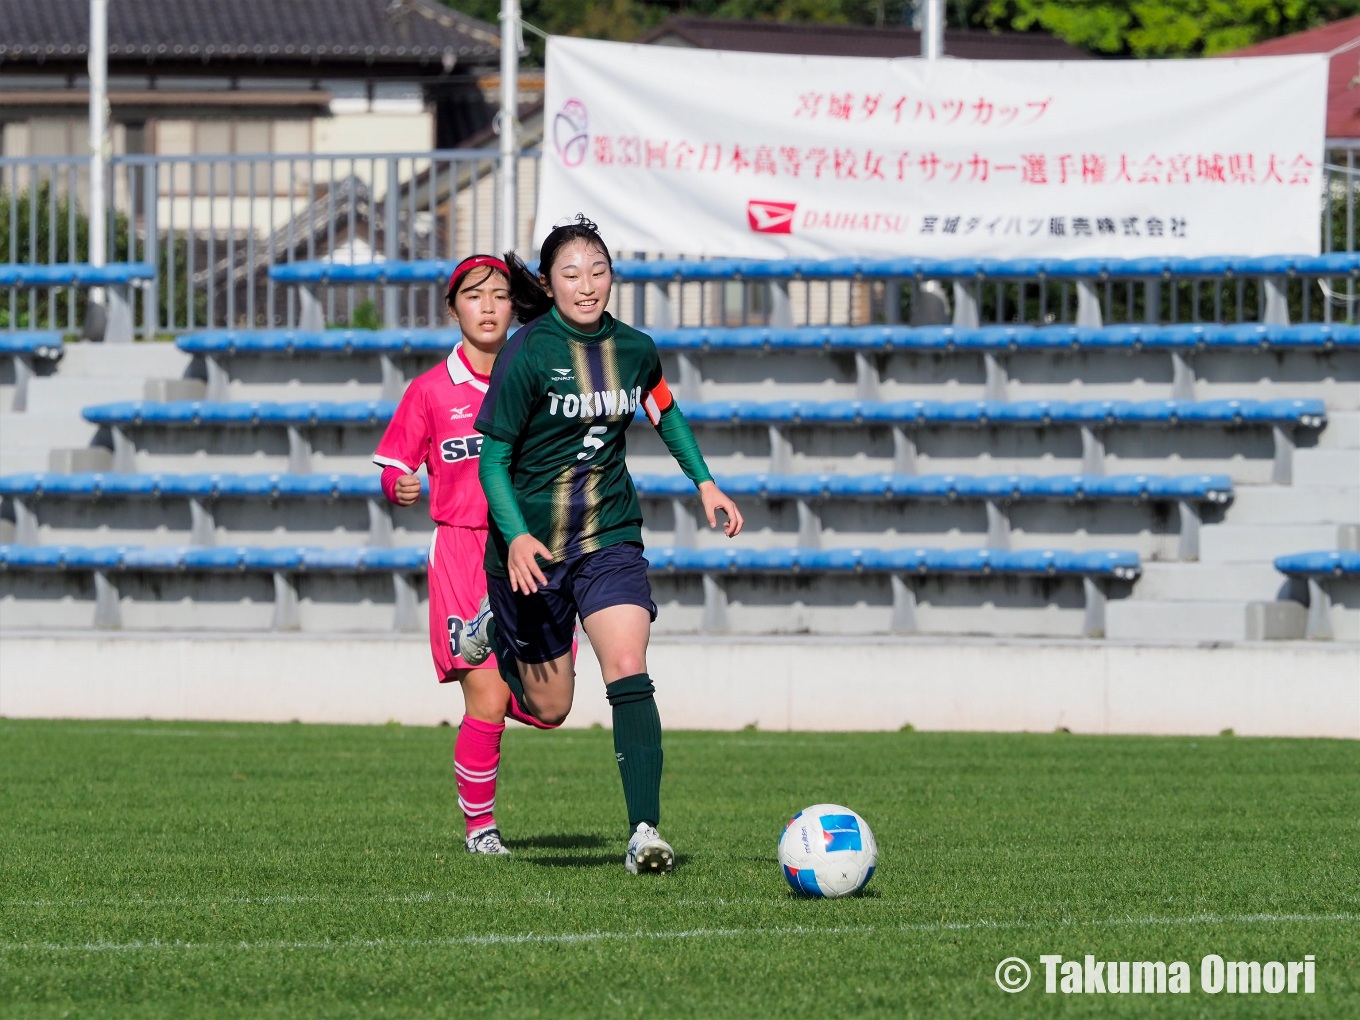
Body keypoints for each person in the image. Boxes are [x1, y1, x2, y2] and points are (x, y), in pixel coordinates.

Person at [459, 216, 744, 874]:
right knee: (551, 707)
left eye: (598, 271)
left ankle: (644, 830)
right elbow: (493, 461)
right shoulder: (527, 352)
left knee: (626, 664)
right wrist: (517, 536)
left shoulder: (637, 350)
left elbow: (664, 410)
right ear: (547, 283)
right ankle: (495, 635)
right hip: (531, 550)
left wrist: (706, 484)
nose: (587, 285)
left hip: (609, 537)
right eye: (570, 274)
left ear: (612, 276)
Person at [372, 253, 560, 857]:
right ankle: (482, 830)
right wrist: (398, 486)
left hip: (529, 552)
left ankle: (516, 695)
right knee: (486, 698)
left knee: (551, 706)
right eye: (473, 296)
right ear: (452, 309)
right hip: (462, 550)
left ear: (514, 307)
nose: (487, 306)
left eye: (500, 295)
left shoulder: (535, 377)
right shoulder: (429, 390)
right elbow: (397, 465)